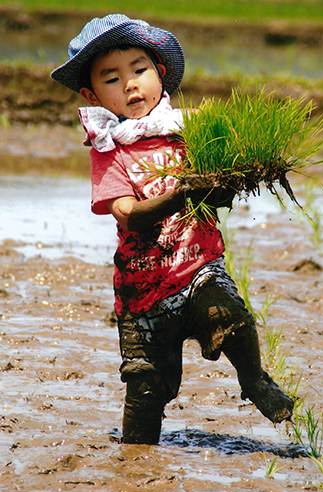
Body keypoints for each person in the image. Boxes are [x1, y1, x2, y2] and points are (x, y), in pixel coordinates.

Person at [51, 14, 294, 444]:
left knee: (229, 314)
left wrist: (240, 174)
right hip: (143, 293)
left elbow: (215, 196)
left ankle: (254, 379)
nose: (130, 84)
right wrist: (182, 192)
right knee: (146, 388)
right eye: (112, 78)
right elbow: (128, 213)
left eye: (140, 70)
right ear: (92, 95)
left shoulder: (190, 130)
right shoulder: (110, 152)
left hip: (198, 268)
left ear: (159, 74)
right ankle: (137, 460)